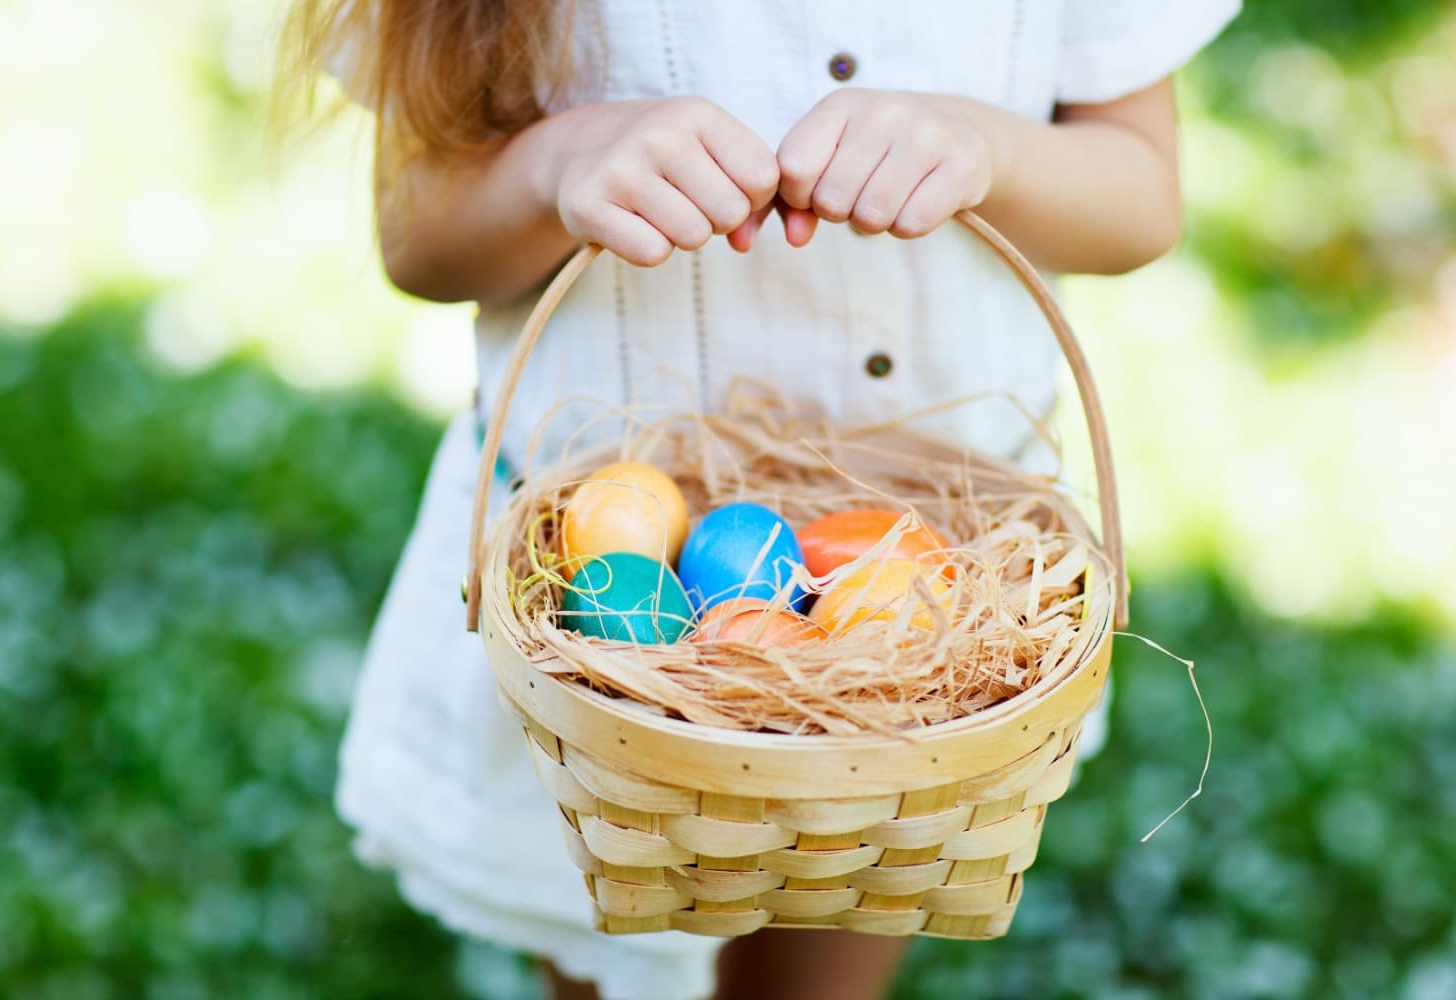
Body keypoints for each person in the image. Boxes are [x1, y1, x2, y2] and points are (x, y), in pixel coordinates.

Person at [278, 2, 1238, 997]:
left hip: (928, 620)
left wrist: (985, 146)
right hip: (598, 648)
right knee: (612, 960)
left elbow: (1141, 196)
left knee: (827, 964)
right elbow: (416, 238)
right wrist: (553, 168)